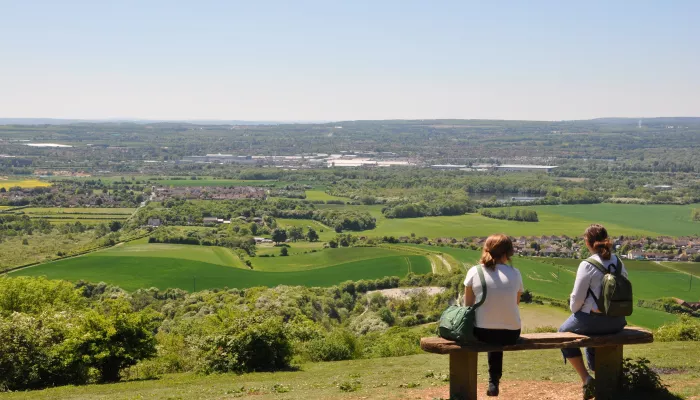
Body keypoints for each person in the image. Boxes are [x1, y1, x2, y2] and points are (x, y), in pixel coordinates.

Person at [559, 224, 628, 400]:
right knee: (591, 336)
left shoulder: (587, 264)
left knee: (561, 333)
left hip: (593, 320)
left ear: (588, 243)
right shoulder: (618, 262)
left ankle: (587, 378)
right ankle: (602, 378)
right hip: (618, 321)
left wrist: (576, 312)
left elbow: (577, 297)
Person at [464, 234, 524, 397]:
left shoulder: (474, 272)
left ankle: (484, 382)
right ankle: (493, 381)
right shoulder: (515, 273)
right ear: (508, 253)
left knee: (487, 328)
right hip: (512, 333)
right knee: (498, 330)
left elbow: (467, 307)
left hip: (482, 333)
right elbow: (515, 303)